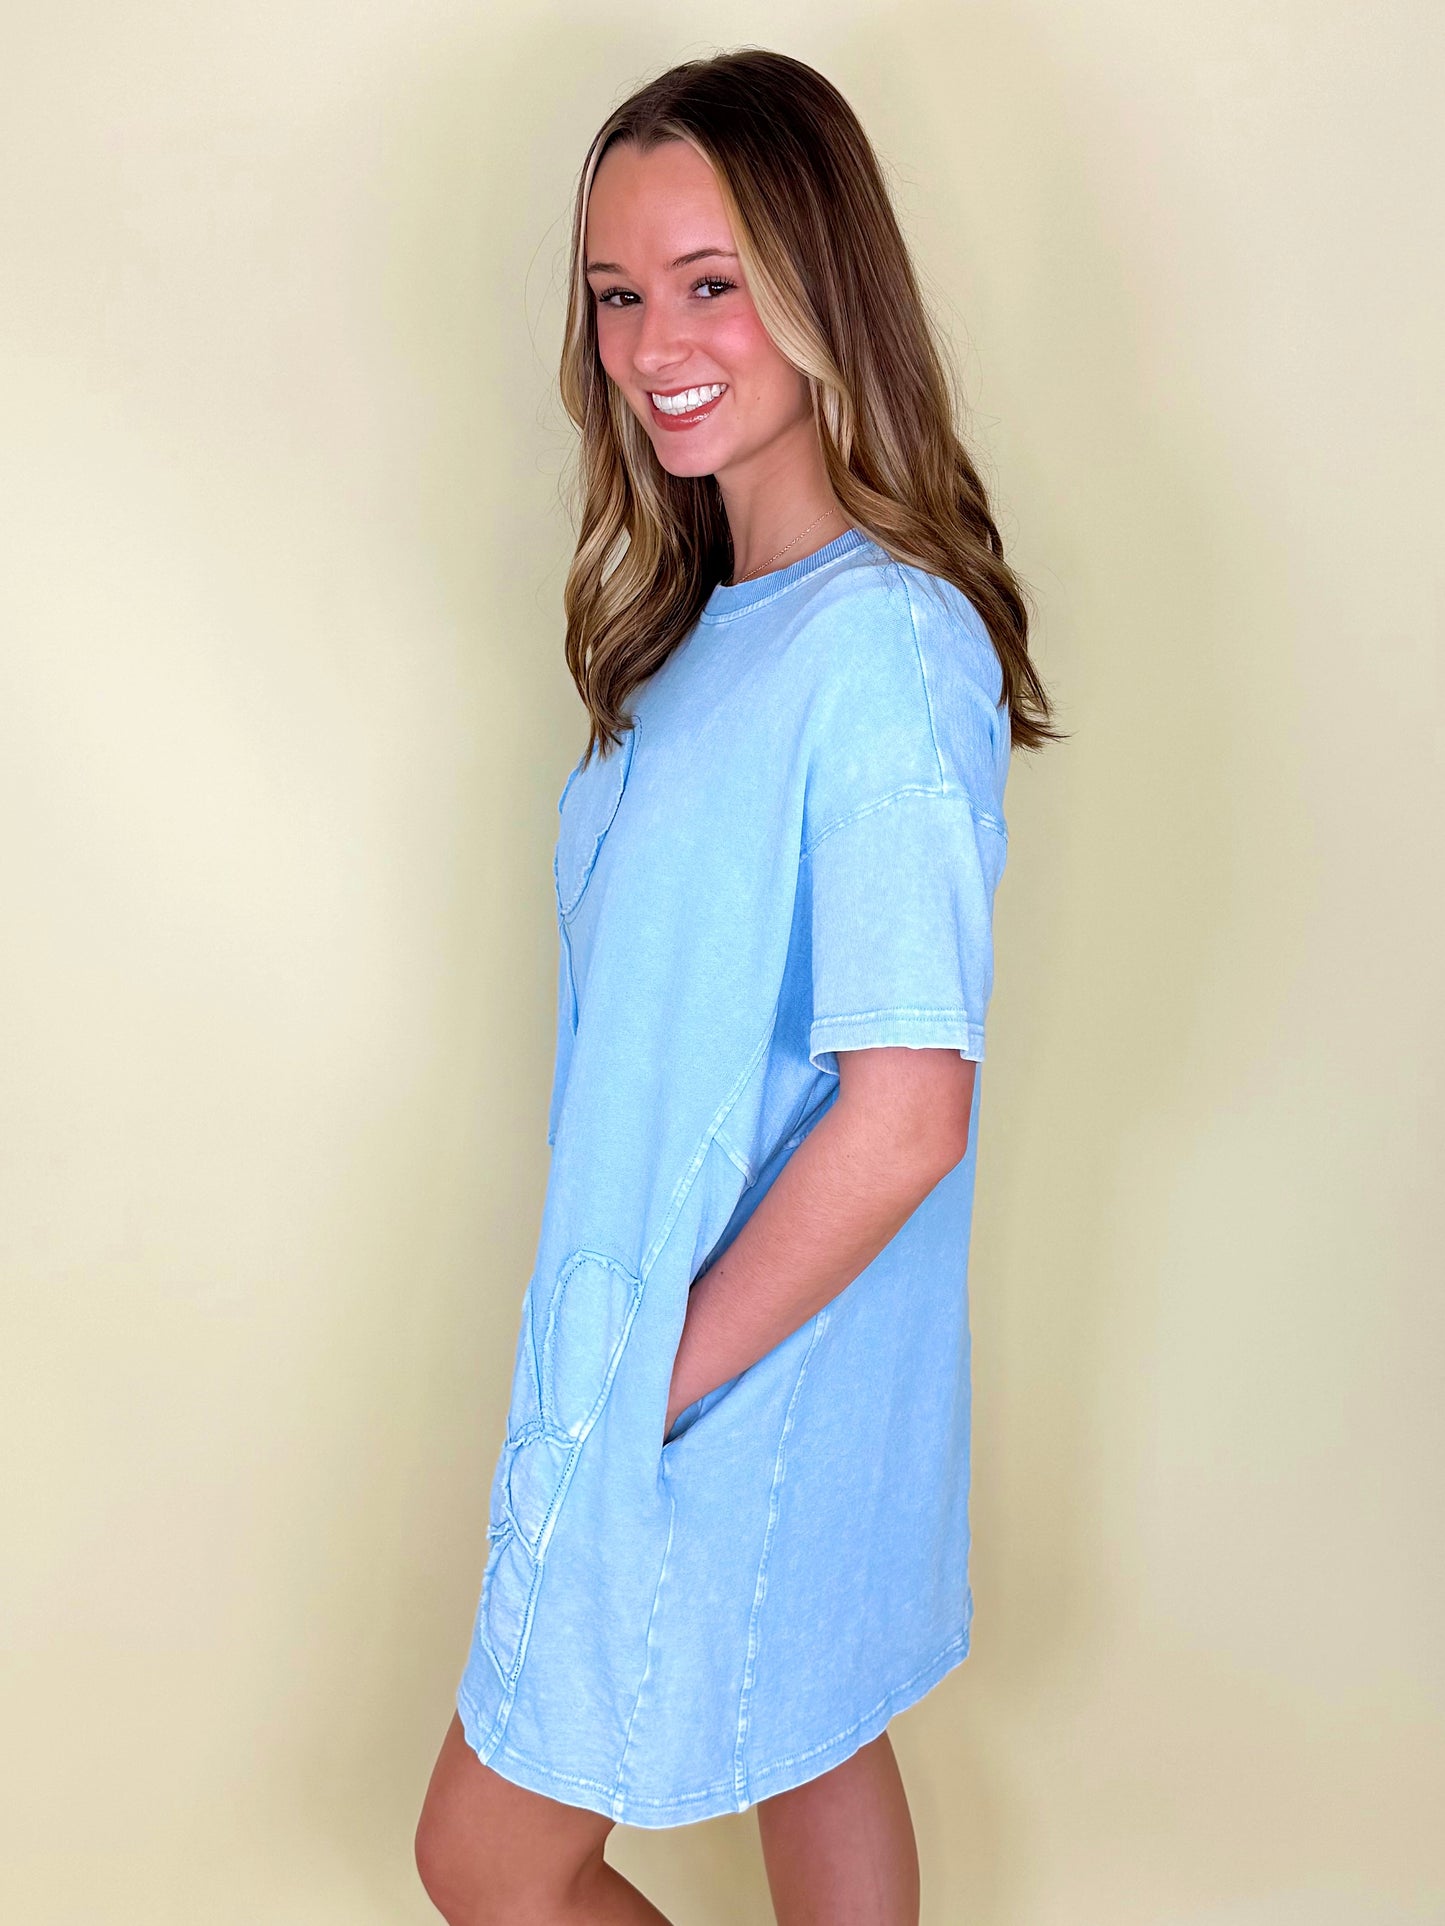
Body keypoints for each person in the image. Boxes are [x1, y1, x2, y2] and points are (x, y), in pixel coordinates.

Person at [415, 46, 1059, 1926]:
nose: (653, 344)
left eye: (710, 283)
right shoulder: (705, 635)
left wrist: (656, 1373)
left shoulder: (880, 646)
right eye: (617, 294)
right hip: (701, 1341)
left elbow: (907, 1108)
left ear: (819, 282)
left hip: (724, 1356)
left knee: (485, 1853)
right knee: (816, 1732)